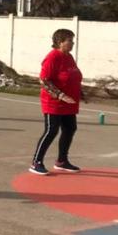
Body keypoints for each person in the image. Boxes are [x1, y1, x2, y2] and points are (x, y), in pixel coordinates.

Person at [30, 28, 83, 176]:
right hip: (53, 102)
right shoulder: (52, 57)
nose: (72, 43)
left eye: (73, 40)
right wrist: (59, 95)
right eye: (70, 41)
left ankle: (62, 161)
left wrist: (81, 93)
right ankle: (36, 162)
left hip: (69, 103)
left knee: (70, 128)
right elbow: (44, 80)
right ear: (60, 42)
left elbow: (73, 76)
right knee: (51, 131)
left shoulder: (69, 57)